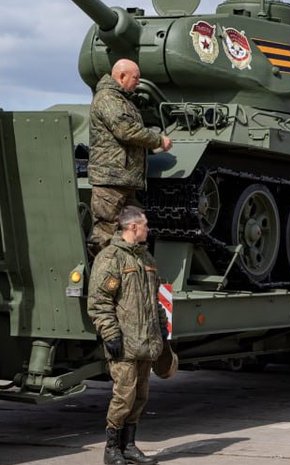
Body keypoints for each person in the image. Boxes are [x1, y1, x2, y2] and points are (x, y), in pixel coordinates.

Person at [88, 206, 169, 465]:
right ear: (132, 227)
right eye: (145, 224)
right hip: (124, 343)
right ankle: (112, 449)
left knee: (141, 396)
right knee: (123, 397)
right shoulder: (111, 259)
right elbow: (99, 302)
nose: (148, 229)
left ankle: (129, 445)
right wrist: (110, 334)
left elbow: (154, 300)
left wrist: (163, 326)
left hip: (146, 342)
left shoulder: (147, 259)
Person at [89, 59, 172, 254]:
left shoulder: (122, 99)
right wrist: (158, 140)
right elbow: (125, 130)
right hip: (111, 180)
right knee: (105, 233)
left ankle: (130, 276)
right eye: (135, 77)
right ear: (122, 76)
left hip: (123, 179)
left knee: (134, 231)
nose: (138, 82)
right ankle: (105, 278)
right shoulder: (108, 98)